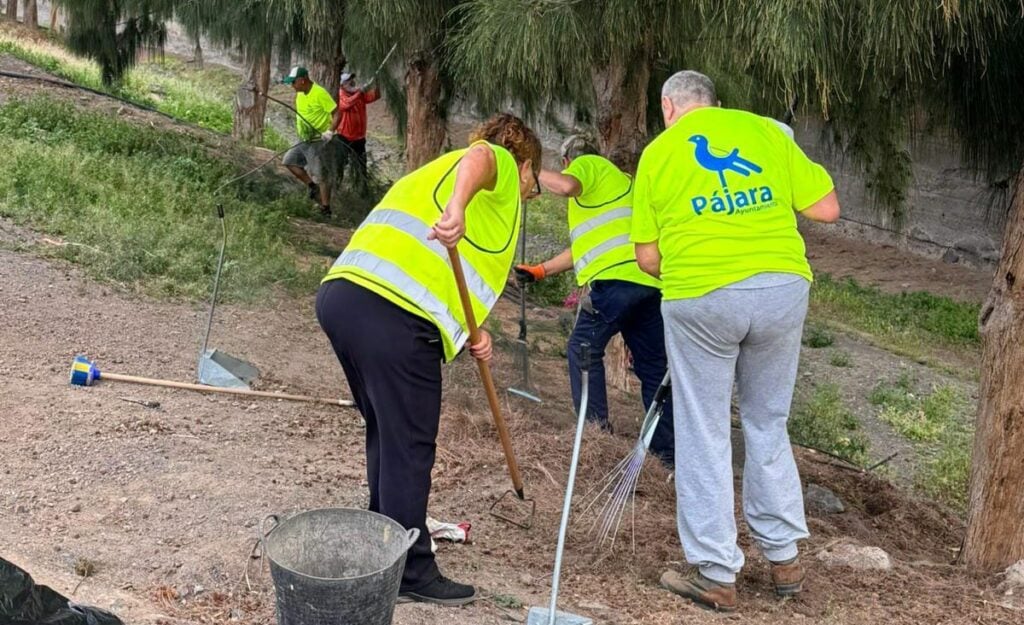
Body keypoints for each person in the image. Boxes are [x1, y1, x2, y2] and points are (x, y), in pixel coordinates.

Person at [630, 70, 840, 612]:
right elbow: (825, 208)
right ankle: (785, 557)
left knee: (703, 429)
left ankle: (717, 572)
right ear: (716, 105)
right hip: (782, 287)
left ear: (669, 106)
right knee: (768, 421)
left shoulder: (658, 152)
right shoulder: (767, 131)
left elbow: (647, 258)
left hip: (701, 294)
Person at [316, 114, 543, 606]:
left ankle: (384, 542)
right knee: (410, 445)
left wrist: (469, 332)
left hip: (345, 297)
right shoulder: (496, 160)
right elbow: (483, 158)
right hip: (392, 314)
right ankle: (410, 571)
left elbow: (446, 273)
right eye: (535, 183)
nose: (531, 194)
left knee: (387, 430)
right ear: (525, 165)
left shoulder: (436, 174)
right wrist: (458, 207)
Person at [514, 134, 675, 466]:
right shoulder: (620, 189)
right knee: (653, 367)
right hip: (648, 284)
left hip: (616, 283)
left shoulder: (590, 164)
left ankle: (596, 433)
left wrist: (526, 169)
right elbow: (584, 250)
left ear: (567, 162)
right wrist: (542, 270)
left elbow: (566, 186)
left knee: (582, 349)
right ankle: (666, 453)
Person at [281, 66, 341, 216]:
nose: (292, 85)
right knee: (289, 161)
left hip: (318, 141)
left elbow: (337, 113)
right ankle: (311, 186)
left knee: (321, 175)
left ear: (302, 80)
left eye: (293, 82)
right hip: (304, 139)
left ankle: (326, 208)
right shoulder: (300, 93)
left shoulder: (319, 93)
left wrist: (330, 131)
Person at [336, 71, 381, 191]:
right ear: (341, 85)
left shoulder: (358, 94)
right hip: (344, 137)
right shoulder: (340, 94)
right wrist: (360, 92)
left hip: (359, 138)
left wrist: (377, 82)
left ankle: (362, 189)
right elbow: (346, 105)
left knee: (361, 165)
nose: (352, 82)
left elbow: (375, 96)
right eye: (348, 81)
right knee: (340, 164)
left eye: (352, 79)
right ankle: (336, 187)